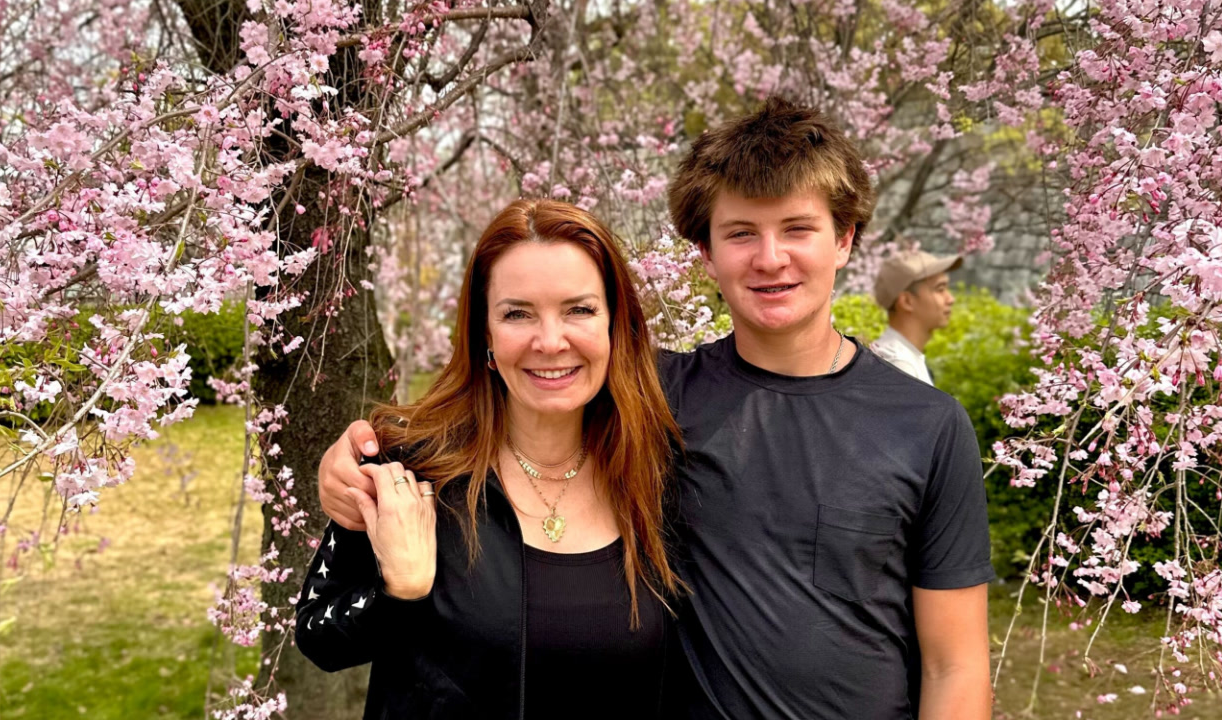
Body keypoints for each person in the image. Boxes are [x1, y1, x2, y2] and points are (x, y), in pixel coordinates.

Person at [317, 99, 994, 719]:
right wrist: (354, 458)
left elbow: (954, 663)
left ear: (844, 238)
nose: (771, 258)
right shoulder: (650, 398)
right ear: (704, 253)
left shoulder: (926, 427)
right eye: (740, 233)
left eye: (798, 228)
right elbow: (527, 385)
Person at [294, 199, 689, 719]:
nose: (550, 342)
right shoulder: (408, 467)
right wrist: (399, 591)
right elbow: (318, 634)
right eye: (517, 314)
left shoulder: (662, 471)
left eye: (579, 309)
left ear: (616, 323)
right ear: (484, 330)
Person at [870, 249, 963, 385]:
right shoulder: (899, 364)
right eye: (940, 289)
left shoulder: (906, 358)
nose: (950, 299)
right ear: (907, 301)